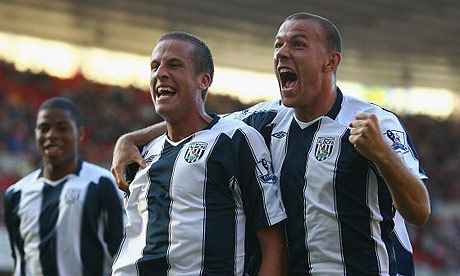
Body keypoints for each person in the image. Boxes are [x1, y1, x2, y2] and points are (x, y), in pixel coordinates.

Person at [111, 14, 430, 276]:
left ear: (330, 62)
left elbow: (419, 211)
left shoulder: (374, 122)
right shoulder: (264, 119)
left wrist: (383, 155)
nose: (282, 53)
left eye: (298, 44)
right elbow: (201, 121)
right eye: (278, 45)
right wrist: (132, 139)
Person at [110, 31, 288, 276]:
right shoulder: (140, 153)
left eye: (174, 65)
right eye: (154, 66)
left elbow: (274, 244)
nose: (160, 73)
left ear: (203, 80)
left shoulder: (234, 140)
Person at [3, 97, 125, 276]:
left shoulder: (102, 184)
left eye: (62, 128)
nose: (51, 135)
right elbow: (20, 262)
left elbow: (124, 254)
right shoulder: (16, 194)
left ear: (80, 134)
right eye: (44, 128)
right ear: (35, 133)